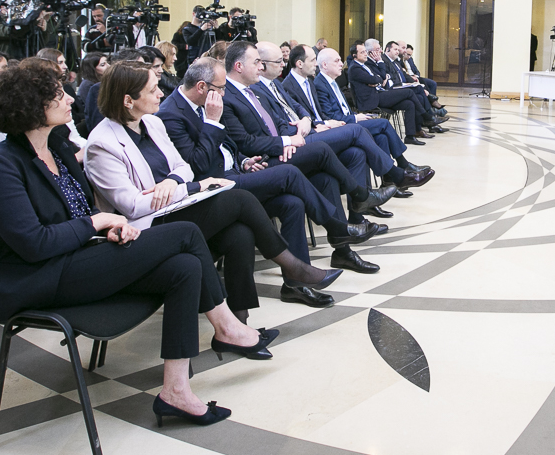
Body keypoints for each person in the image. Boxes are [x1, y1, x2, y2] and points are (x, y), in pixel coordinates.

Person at [0, 63, 269, 426]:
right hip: (41, 276)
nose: (70, 100)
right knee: (186, 234)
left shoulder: (58, 149)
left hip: (80, 256)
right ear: (31, 106)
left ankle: (176, 391)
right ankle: (226, 328)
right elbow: (34, 244)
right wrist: (97, 222)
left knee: (185, 266)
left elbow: (78, 212)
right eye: (58, 95)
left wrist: (109, 230)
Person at [85, 61, 341, 318]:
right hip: (147, 225)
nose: (161, 93)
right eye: (153, 90)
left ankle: (240, 320)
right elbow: (133, 205)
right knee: (242, 198)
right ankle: (296, 266)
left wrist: (172, 182)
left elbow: (182, 167)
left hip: (178, 205)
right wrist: (191, 186)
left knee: (241, 234)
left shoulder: (151, 123)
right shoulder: (102, 144)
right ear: (128, 100)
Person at [158, 57, 381, 290]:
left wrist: (244, 160)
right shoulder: (172, 114)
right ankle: (337, 228)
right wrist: (213, 122)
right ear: (202, 87)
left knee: (293, 202)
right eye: (220, 88)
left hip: (238, 170)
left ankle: (296, 285)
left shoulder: (208, 100)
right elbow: (197, 165)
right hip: (215, 187)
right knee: (290, 172)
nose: (223, 93)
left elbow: (227, 144)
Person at [217, 41, 395, 231]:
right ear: (239, 66)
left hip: (289, 143)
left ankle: (344, 236)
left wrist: (303, 124)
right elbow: (244, 142)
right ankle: (374, 188)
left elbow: (279, 121)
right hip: (268, 157)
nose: (261, 67)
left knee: (348, 159)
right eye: (257, 62)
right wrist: (287, 141)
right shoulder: (230, 96)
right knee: (350, 133)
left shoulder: (256, 90)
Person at [283, 44, 432, 191]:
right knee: (382, 124)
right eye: (337, 61)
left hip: (332, 123)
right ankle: (400, 169)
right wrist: (344, 120)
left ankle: (389, 182)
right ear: (301, 63)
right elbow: (314, 116)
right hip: (323, 130)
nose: (341, 64)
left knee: (381, 136)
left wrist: (354, 116)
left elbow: (317, 112)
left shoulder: (310, 82)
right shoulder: (299, 85)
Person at [348, 42, 430, 144]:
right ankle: (426, 116)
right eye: (362, 52)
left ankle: (409, 136)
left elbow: (380, 76)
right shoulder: (355, 68)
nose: (366, 54)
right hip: (372, 99)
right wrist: (378, 78)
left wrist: (378, 78)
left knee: (409, 104)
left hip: (379, 93)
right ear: (354, 55)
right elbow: (376, 79)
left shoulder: (364, 65)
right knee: (409, 92)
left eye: (365, 51)